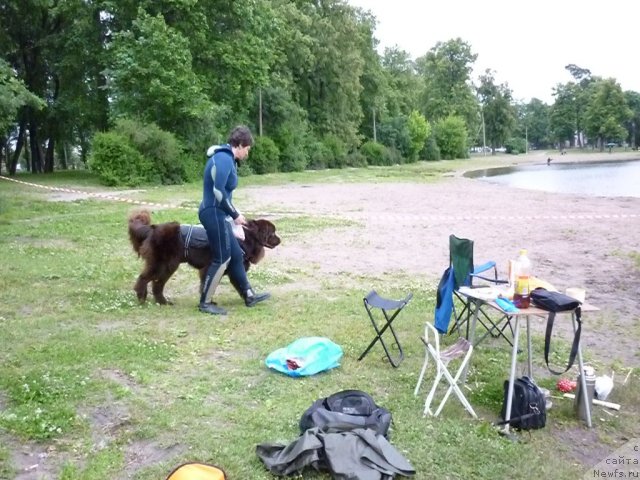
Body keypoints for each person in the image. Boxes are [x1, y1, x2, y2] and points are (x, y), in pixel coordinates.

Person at [198, 125, 270, 315]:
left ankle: (249, 295)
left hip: (219, 212)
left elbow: (224, 195)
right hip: (213, 213)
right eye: (247, 148)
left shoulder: (228, 159)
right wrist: (234, 215)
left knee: (237, 254)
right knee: (222, 258)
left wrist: (233, 212)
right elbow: (218, 192)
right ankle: (205, 302)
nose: (247, 152)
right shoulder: (223, 159)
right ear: (239, 145)